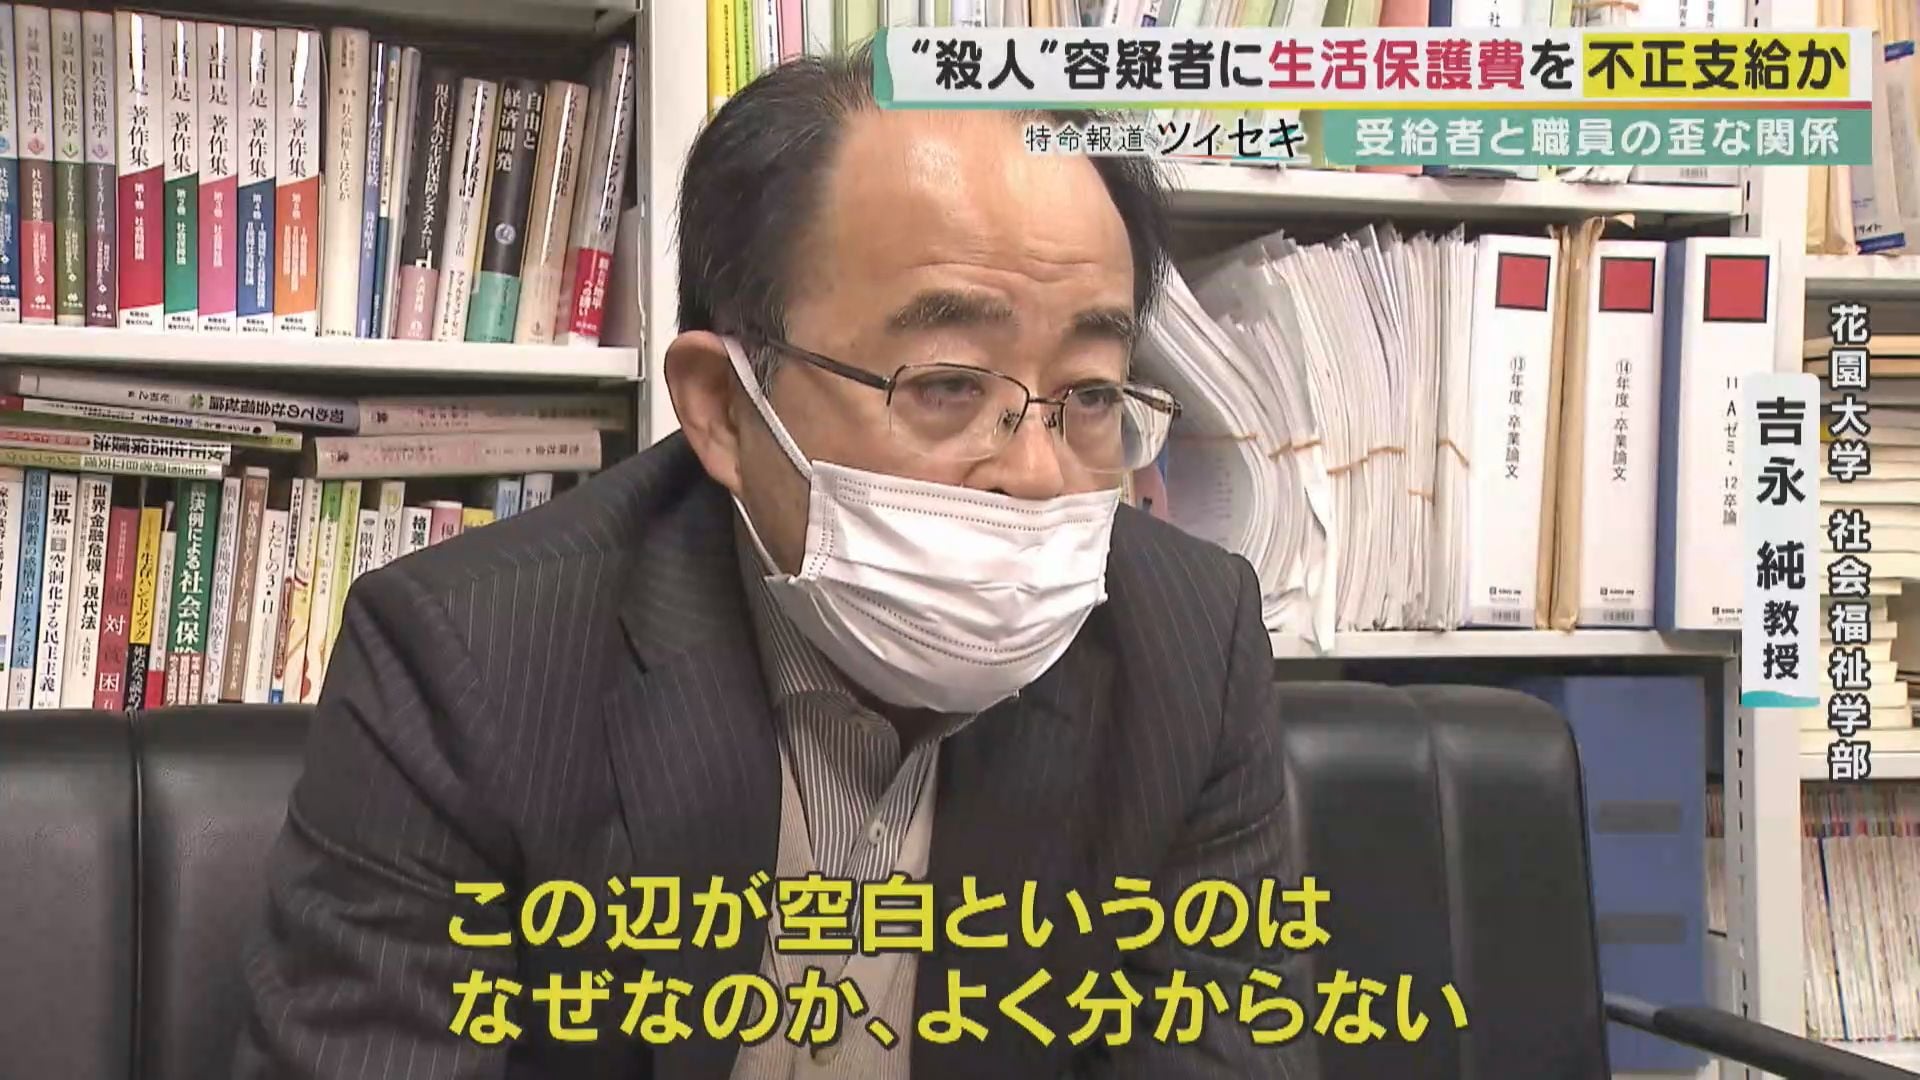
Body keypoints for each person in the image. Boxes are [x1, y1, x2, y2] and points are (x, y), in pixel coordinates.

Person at [235, 44, 1300, 1080]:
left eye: (1092, 394)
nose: (1033, 472)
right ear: (724, 410)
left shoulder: (1189, 648)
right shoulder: (469, 657)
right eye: (946, 385)